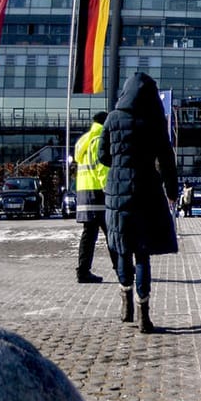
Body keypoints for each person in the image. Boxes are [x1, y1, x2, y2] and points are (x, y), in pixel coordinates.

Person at [100, 73, 179, 334]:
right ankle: (145, 314)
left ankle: (126, 303)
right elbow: (167, 160)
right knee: (142, 252)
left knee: (123, 248)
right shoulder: (155, 121)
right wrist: (172, 191)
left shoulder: (112, 118)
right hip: (147, 190)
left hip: (117, 191)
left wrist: (121, 165)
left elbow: (103, 156)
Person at [72, 111, 114, 284]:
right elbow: (102, 168)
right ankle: (121, 268)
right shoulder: (99, 141)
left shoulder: (85, 141)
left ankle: (83, 271)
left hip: (84, 194)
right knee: (112, 232)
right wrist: (109, 190)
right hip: (98, 194)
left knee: (89, 234)